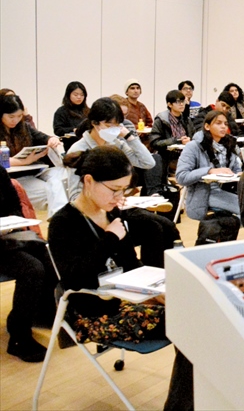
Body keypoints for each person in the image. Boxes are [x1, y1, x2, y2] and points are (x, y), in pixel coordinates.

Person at [48, 147, 192, 408]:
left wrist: (154, 295)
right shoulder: (64, 223)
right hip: (93, 313)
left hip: (124, 301)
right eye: (114, 189)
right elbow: (75, 280)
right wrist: (110, 238)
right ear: (89, 181)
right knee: (191, 328)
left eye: (123, 190)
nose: (119, 197)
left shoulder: (112, 213)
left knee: (193, 316)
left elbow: (131, 266)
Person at [0, 166, 57, 362]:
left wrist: (9, 223)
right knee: (31, 269)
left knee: (45, 255)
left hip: (5, 236)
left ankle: (39, 314)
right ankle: (18, 335)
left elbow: (14, 205)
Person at [66, 98, 156, 201]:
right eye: (109, 125)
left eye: (117, 125)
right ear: (94, 123)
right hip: (95, 207)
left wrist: (129, 137)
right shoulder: (78, 150)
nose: (113, 129)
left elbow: (148, 163)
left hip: (117, 202)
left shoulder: (116, 144)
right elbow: (74, 197)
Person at [0, 95, 66, 215]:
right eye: (11, 117)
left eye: (19, 116)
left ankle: (58, 219)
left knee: (60, 178)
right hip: (14, 177)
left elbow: (42, 137)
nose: (15, 120)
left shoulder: (23, 127)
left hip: (34, 171)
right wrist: (23, 162)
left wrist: (51, 140)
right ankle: (58, 219)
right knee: (51, 191)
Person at [175, 111, 243, 220]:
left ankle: (228, 228)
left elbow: (236, 169)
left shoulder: (230, 144)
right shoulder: (194, 147)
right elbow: (181, 177)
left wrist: (239, 174)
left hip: (228, 190)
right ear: (207, 126)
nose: (223, 127)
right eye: (218, 123)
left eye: (225, 124)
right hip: (204, 194)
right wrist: (209, 170)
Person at [150, 90, 195, 176]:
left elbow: (194, 137)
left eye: (183, 101)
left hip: (186, 156)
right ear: (169, 104)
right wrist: (177, 140)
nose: (182, 104)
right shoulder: (161, 120)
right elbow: (154, 143)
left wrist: (190, 140)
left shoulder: (186, 119)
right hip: (168, 157)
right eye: (178, 102)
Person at [52, 81, 89, 151]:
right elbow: (58, 130)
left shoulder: (88, 111)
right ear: (69, 95)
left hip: (87, 144)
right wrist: (73, 130)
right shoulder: (61, 111)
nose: (79, 97)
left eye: (82, 95)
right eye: (76, 95)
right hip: (71, 146)